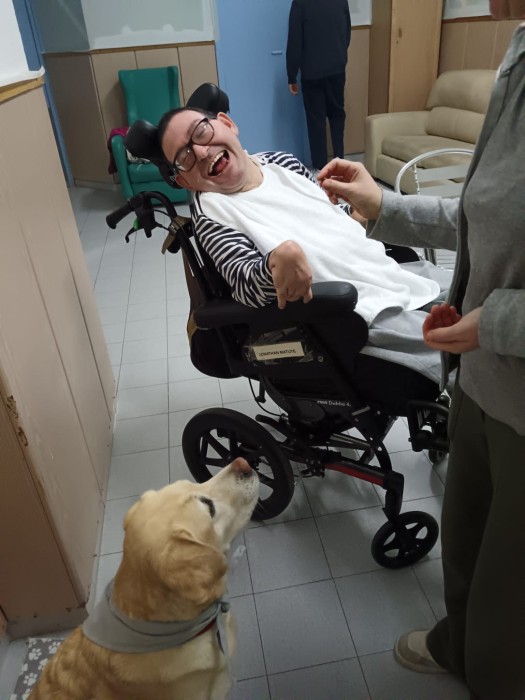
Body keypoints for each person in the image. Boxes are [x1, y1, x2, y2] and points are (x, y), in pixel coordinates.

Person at [318, 2, 525, 698]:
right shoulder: (519, 47)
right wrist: (386, 206)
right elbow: (485, 216)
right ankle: (457, 646)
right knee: (463, 538)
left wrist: (496, 322)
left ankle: (491, 673)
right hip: (480, 380)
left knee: (509, 589)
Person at [157, 106, 453, 386]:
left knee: (470, 292)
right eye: (185, 157)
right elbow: (244, 285)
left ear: (227, 123)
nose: (201, 151)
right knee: (461, 350)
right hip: (357, 310)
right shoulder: (213, 214)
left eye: (201, 132)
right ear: (185, 181)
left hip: (386, 271)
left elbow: (326, 212)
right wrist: (275, 263)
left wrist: (358, 211)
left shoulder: (280, 163)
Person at [286, 0, 351, 171]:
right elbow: (347, 33)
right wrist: (339, 56)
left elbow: (295, 39)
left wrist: (292, 75)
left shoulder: (300, 3)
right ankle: (340, 160)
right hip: (337, 68)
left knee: (316, 120)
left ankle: (321, 168)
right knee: (337, 114)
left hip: (312, 72)